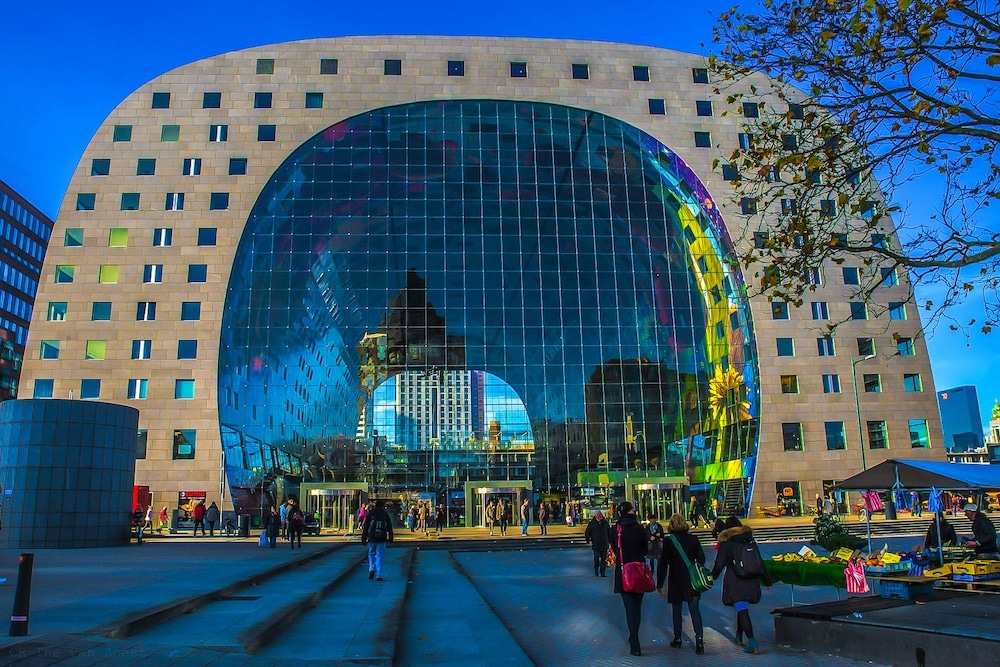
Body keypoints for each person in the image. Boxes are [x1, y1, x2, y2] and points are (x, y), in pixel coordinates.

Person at [711, 517, 772, 654]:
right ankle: (738, 636)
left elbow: (719, 564)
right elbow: (760, 562)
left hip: (735, 583)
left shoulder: (727, 543)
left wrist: (712, 576)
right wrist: (767, 580)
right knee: (742, 609)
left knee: (742, 610)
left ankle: (752, 642)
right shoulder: (749, 540)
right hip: (751, 581)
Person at [658, 513, 706, 654]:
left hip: (676, 580)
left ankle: (677, 638)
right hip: (692, 580)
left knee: (676, 611)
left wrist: (659, 584)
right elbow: (701, 558)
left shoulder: (669, 541)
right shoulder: (693, 539)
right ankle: (699, 641)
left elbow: (663, 564)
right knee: (695, 611)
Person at [612, 501, 648, 657]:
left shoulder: (615, 529)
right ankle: (634, 638)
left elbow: (614, 548)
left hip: (623, 572)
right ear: (631, 511)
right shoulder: (639, 528)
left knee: (629, 608)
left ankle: (634, 642)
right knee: (637, 607)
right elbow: (645, 548)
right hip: (638, 571)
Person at [361, 499, 394, 581]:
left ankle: (372, 568)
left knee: (371, 553)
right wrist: (390, 538)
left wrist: (364, 538)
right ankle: (379, 574)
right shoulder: (384, 514)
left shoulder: (370, 513)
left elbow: (366, 527)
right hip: (382, 538)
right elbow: (389, 527)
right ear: (383, 506)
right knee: (380, 555)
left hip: (372, 537)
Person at [585, 510, 613, 576]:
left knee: (604, 559)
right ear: (595, 516)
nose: (600, 516)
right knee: (596, 557)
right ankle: (596, 570)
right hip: (596, 544)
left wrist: (610, 542)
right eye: (598, 515)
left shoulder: (605, 523)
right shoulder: (592, 523)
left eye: (600, 514)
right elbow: (587, 532)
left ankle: (602, 572)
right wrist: (589, 540)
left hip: (604, 543)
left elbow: (609, 533)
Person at [645, 513, 664, 578]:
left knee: (659, 559)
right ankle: (652, 572)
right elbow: (645, 535)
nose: (652, 520)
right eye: (651, 519)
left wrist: (660, 535)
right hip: (651, 545)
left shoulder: (659, 526)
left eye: (653, 519)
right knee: (651, 559)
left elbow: (662, 534)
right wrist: (649, 537)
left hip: (657, 544)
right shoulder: (647, 527)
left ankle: (659, 572)